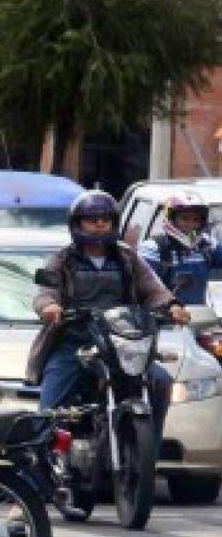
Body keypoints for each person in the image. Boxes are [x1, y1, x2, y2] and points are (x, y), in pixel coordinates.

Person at [28, 190, 188, 448]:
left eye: (106, 219)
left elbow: (153, 289)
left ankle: (148, 453)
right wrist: (50, 307)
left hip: (120, 345)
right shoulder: (63, 259)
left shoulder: (127, 257)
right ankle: (41, 461)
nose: (100, 224)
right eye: (92, 219)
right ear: (77, 224)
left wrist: (172, 306)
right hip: (75, 344)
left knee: (160, 382)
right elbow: (45, 292)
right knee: (50, 406)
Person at [138, 190, 222, 306]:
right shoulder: (152, 249)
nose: (190, 224)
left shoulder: (207, 246)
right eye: (184, 218)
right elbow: (143, 288)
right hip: (162, 318)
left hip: (201, 317)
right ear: (172, 219)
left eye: (196, 220)